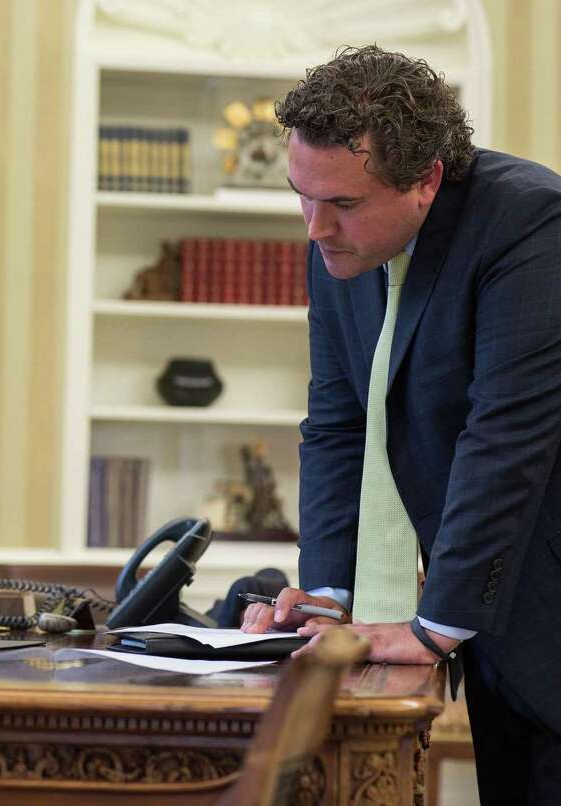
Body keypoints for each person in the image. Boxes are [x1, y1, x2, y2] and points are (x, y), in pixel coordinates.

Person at [236, 45, 561, 801]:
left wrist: (430, 627)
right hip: (498, 625)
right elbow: (338, 426)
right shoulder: (336, 245)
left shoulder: (533, 225)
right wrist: (328, 596)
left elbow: (507, 435)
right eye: (301, 196)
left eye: (342, 204)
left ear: (427, 182)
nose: (315, 228)